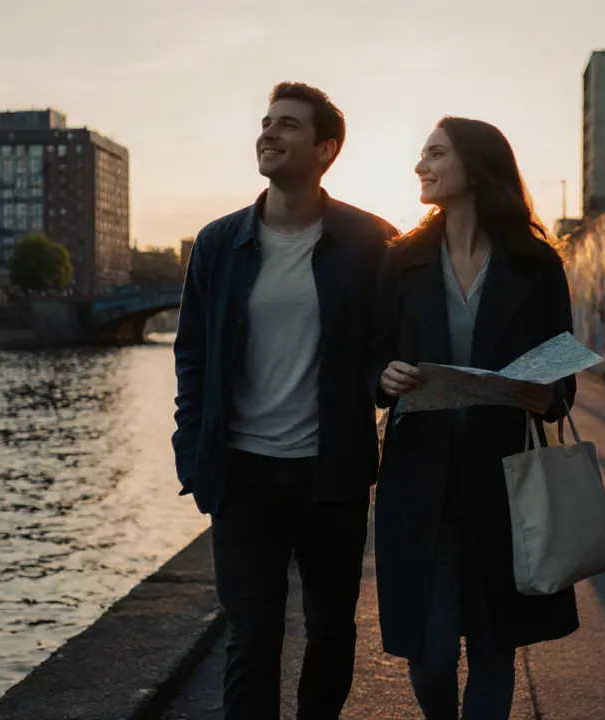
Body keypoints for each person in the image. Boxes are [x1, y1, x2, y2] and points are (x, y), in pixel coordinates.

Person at [172, 82, 396, 720]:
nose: (268, 133)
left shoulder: (368, 240)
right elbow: (192, 353)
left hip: (332, 475)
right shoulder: (218, 243)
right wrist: (192, 451)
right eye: (266, 122)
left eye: (288, 125)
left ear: (326, 149)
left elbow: (383, 346)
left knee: (330, 631)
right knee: (253, 633)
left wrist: (384, 381)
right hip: (242, 473)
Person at [370, 116, 580, 719]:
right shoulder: (400, 263)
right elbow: (372, 353)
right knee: (429, 652)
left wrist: (550, 395)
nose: (420, 166)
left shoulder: (536, 264)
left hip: (504, 481)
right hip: (420, 481)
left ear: (475, 166)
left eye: (435, 153)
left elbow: (561, 366)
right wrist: (383, 378)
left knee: (494, 647)